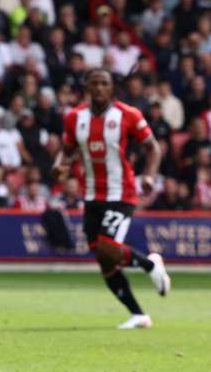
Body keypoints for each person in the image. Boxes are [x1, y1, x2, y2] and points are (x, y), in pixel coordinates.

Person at [52, 69, 170, 330]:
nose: (98, 88)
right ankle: (139, 314)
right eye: (93, 83)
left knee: (107, 247)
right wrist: (59, 165)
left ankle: (150, 265)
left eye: (104, 83)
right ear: (87, 87)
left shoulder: (128, 115)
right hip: (92, 194)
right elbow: (68, 150)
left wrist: (149, 176)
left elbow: (153, 148)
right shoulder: (75, 117)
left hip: (121, 192)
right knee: (104, 258)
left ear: (112, 88)